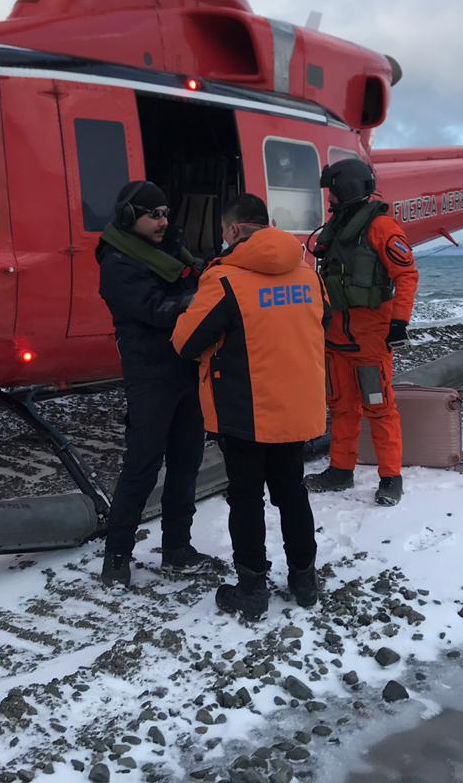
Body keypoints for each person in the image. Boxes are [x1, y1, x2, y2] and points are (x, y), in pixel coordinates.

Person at [172, 194, 327, 619]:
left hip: (245, 410)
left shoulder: (224, 279)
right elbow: (323, 321)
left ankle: (253, 588)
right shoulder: (308, 273)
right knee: (292, 492)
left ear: (235, 230)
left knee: (246, 498)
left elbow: (186, 343)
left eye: (224, 231)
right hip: (296, 405)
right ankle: (304, 580)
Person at [96, 180, 213, 586]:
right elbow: (155, 309)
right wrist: (204, 300)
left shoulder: (170, 251)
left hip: (185, 368)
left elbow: (192, 284)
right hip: (150, 377)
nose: (163, 221)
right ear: (130, 217)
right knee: (142, 468)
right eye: (153, 215)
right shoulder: (118, 263)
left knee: (186, 463)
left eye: (165, 213)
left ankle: (177, 548)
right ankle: (116, 556)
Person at [305, 158, 419, 506]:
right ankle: (340, 470)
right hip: (336, 337)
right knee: (340, 407)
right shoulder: (338, 228)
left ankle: (390, 477)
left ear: (347, 189)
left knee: (379, 407)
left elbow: (407, 275)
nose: (329, 199)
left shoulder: (381, 228)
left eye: (332, 192)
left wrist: (399, 322)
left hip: (370, 339)